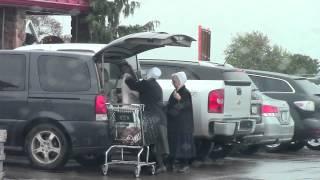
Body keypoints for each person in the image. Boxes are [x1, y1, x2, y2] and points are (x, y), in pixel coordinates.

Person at [125, 67, 169, 173]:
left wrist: (127, 76)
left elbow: (133, 85)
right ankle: (153, 164)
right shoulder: (156, 86)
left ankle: (159, 165)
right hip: (159, 117)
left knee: (150, 141)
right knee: (155, 141)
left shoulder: (147, 84)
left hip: (152, 118)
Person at [167, 71, 195, 173]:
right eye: (173, 80)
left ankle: (185, 164)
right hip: (176, 124)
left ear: (180, 81)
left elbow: (184, 105)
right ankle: (175, 163)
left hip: (184, 125)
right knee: (176, 144)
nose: (173, 82)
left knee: (184, 145)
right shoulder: (175, 92)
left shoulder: (185, 92)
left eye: (174, 80)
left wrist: (179, 100)